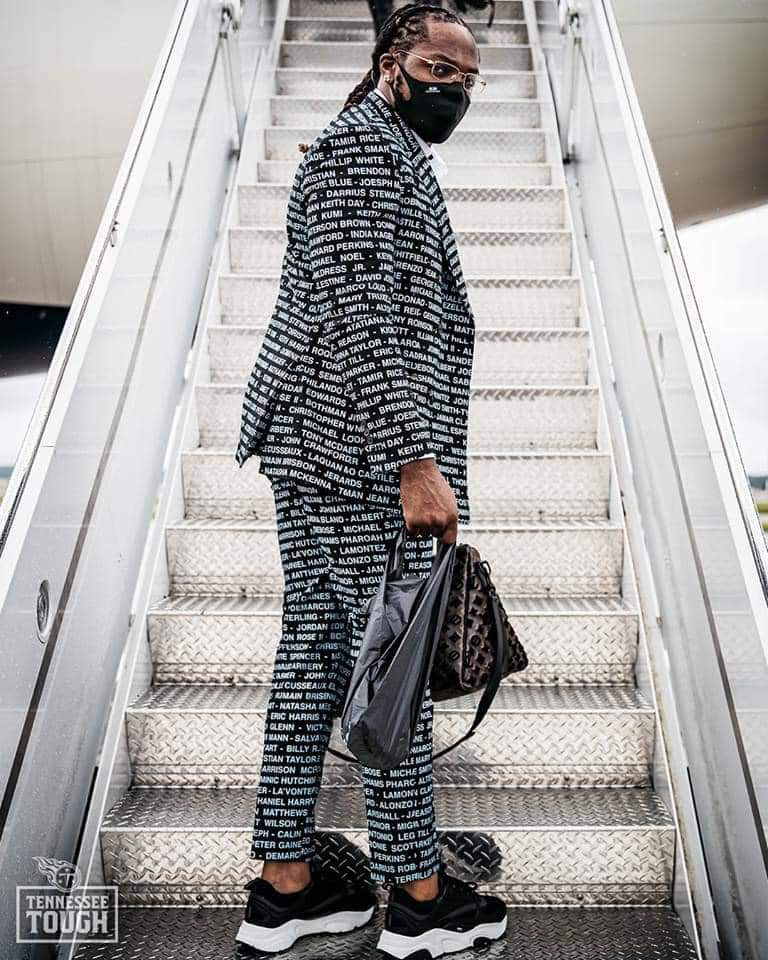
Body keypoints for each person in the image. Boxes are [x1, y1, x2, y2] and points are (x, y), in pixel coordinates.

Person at [233, 3, 507, 957]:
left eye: (471, 78)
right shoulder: (363, 152)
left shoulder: (379, 147)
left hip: (323, 448)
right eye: (441, 67)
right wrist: (415, 462)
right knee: (388, 667)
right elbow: (360, 316)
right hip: (358, 458)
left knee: (317, 657)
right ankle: (421, 897)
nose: (456, 88)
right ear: (393, 61)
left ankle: (285, 883)